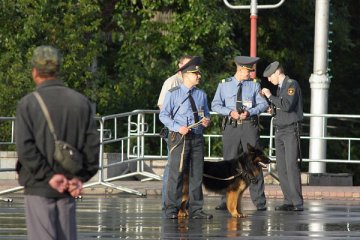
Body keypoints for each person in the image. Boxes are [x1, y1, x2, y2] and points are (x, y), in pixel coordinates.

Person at [15, 45, 100, 239]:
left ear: (35, 72)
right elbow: (92, 145)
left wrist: (48, 177)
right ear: (58, 70)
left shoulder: (29, 103)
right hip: (69, 186)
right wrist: (80, 177)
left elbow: (25, 147)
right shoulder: (80, 102)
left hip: (39, 187)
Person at [211, 56, 268, 211]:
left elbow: (263, 104)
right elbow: (215, 105)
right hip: (231, 127)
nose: (250, 74)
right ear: (240, 69)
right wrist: (230, 112)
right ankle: (226, 200)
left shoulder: (254, 86)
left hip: (249, 127)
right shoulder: (224, 85)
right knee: (228, 163)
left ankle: (260, 202)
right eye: (248, 71)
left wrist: (250, 112)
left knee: (255, 163)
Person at [159, 56, 212, 219]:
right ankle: (171, 209)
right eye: (196, 74)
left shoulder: (201, 94)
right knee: (177, 173)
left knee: (197, 173)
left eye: (199, 73)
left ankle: (196, 209)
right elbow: (164, 115)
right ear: (186, 75)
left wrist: (206, 121)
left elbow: (206, 113)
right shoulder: (173, 94)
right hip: (179, 138)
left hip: (196, 137)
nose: (199, 76)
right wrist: (177, 127)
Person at [261, 61, 304, 211]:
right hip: (280, 130)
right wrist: (273, 110)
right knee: (282, 167)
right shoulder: (280, 88)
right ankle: (288, 200)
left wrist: (269, 95)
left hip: (291, 130)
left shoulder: (292, 84)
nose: (268, 79)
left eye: (270, 76)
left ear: (278, 72)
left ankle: (297, 202)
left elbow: (286, 105)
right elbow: (281, 107)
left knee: (291, 166)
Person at [157, 55, 193, 210]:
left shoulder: (190, 81)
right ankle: (168, 202)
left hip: (188, 132)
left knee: (183, 168)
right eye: (185, 65)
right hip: (175, 132)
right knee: (172, 167)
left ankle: (181, 202)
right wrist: (176, 126)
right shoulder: (172, 82)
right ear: (179, 65)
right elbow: (162, 106)